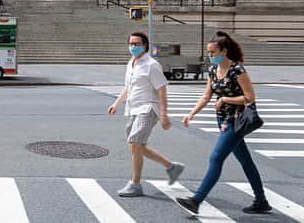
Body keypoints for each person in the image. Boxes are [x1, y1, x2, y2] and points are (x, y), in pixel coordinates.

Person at [175, 31, 271, 215]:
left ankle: (196, 200)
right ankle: (261, 201)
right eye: (209, 52)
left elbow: (249, 97)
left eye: (213, 52)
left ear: (224, 51)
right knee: (246, 161)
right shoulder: (212, 71)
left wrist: (226, 99)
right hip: (222, 121)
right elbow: (206, 96)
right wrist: (191, 114)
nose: (210, 56)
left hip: (236, 121)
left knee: (216, 158)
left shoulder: (238, 70)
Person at [108, 31, 184, 197]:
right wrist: (116, 104)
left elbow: (162, 89)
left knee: (135, 143)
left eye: (137, 44)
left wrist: (164, 115)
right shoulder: (131, 63)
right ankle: (172, 167)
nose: (134, 47)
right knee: (137, 146)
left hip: (148, 109)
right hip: (133, 108)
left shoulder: (151, 65)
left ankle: (135, 184)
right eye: (131, 44)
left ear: (145, 46)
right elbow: (128, 87)